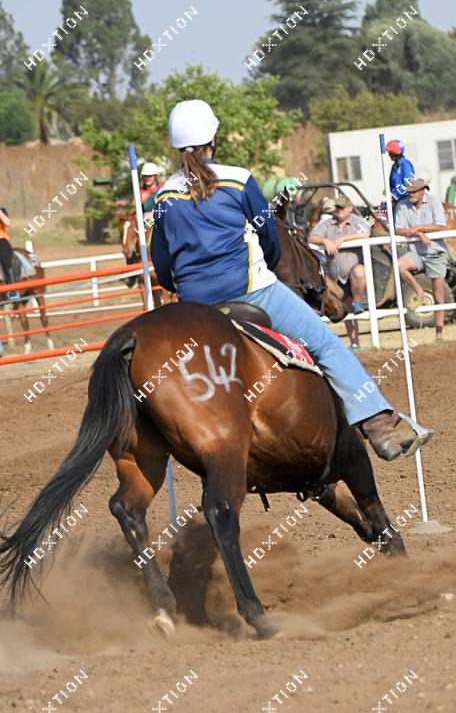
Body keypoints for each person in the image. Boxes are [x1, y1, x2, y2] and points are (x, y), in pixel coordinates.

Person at [150, 99, 433, 462]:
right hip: (253, 294)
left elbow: (162, 263)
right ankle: (381, 425)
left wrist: (182, 288)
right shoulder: (238, 179)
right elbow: (268, 235)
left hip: (194, 309)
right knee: (326, 346)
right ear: (213, 139)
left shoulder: (163, 195)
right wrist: (268, 267)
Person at [309, 194, 371, 350]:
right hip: (335, 274)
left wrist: (342, 239)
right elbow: (312, 237)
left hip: (353, 272)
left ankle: (358, 301)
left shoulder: (358, 220)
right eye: (337, 207)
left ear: (350, 208)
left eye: (342, 207)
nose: (339, 210)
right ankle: (354, 343)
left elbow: (366, 233)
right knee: (345, 307)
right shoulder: (327, 223)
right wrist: (325, 241)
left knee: (359, 272)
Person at [394, 178, 449, 343]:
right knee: (399, 265)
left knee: (438, 297)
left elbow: (441, 225)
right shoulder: (402, 205)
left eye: (414, 191)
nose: (410, 194)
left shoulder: (433, 202)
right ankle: (419, 291)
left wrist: (418, 228)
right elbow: (398, 229)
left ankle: (439, 335)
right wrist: (419, 234)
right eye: (409, 192)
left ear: (423, 191)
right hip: (416, 251)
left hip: (435, 251)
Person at [386, 139, 415, 206]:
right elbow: (390, 185)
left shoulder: (406, 165)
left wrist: (394, 196)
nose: (388, 154)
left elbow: (407, 186)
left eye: (389, 153)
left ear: (393, 153)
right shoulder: (394, 166)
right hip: (395, 200)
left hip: (405, 201)